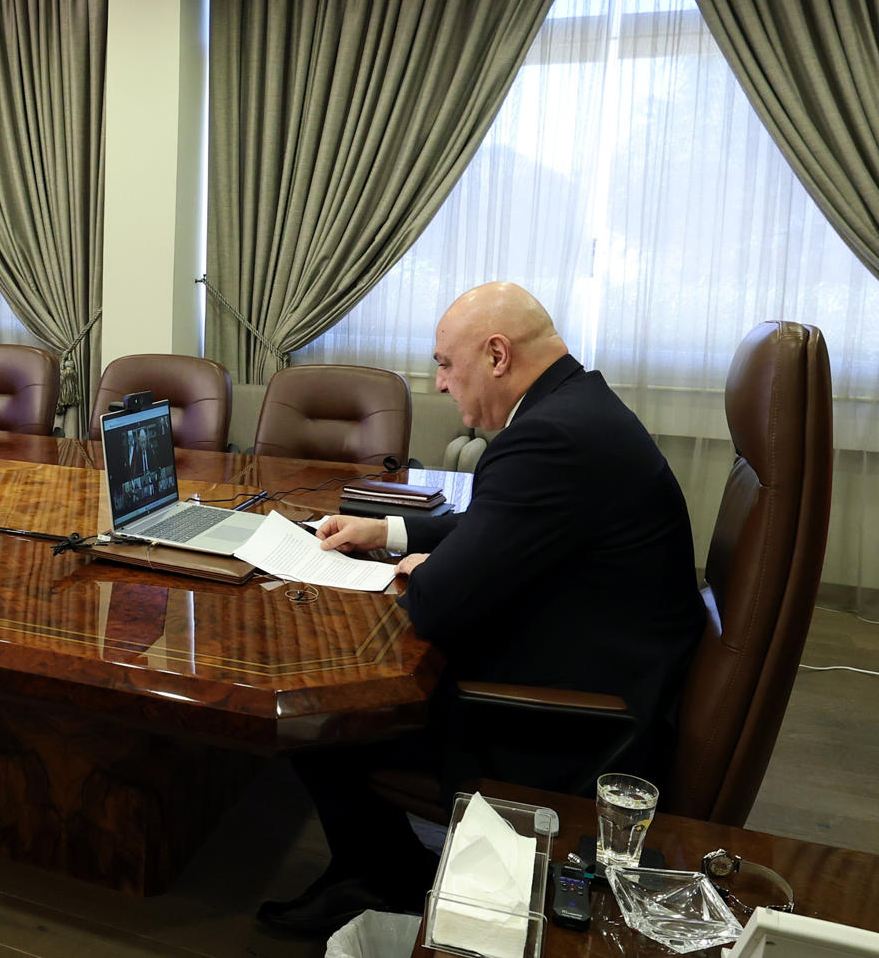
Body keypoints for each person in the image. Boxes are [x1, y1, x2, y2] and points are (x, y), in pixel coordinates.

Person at [257, 282, 707, 937]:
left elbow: (437, 608)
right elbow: (499, 524)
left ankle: (377, 875)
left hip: (567, 718)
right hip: (609, 664)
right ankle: (390, 866)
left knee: (321, 712)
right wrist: (390, 534)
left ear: (496, 354)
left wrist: (435, 572)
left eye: (446, 362)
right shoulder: (577, 407)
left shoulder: (550, 438)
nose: (440, 383)